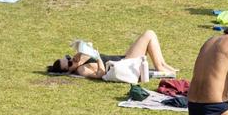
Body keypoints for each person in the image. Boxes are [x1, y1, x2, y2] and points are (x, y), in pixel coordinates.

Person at [48, 29, 178, 80]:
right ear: (68, 71)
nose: (72, 60)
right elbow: (101, 74)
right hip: (124, 64)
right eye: (69, 63)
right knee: (149, 34)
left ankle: (164, 66)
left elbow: (90, 43)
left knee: (150, 36)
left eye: (68, 57)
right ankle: (161, 68)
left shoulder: (80, 60)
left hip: (123, 58)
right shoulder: (82, 70)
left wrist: (81, 50)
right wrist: (98, 58)